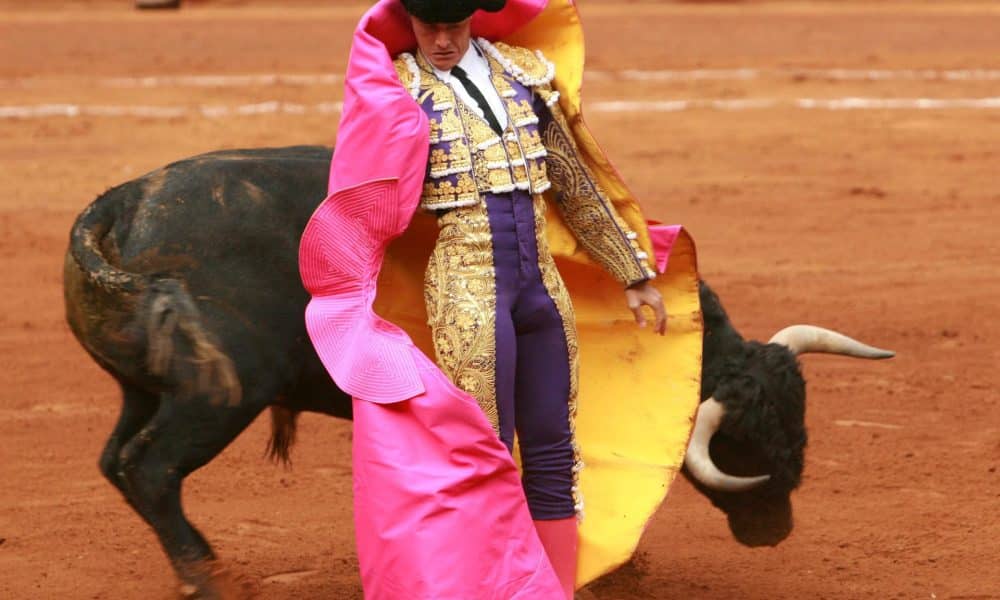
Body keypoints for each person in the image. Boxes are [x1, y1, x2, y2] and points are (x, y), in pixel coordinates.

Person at [299, 0, 702, 598]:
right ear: (407, 20)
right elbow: (365, 196)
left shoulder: (524, 74)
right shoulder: (397, 91)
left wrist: (632, 271)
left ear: (475, 17)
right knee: (486, 447)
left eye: (452, 26)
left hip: (542, 291)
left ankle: (553, 590)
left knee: (553, 449)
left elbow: (570, 181)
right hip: (466, 291)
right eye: (426, 27)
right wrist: (347, 296)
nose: (439, 40)